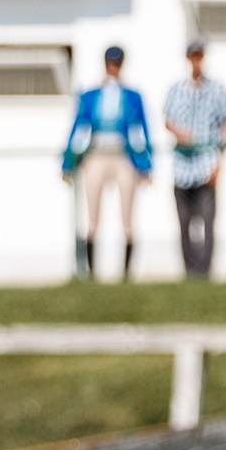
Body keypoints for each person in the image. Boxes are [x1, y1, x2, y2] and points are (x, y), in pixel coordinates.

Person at [61, 46, 153, 280]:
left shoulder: (133, 96)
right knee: (92, 217)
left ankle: (126, 273)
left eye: (117, 63)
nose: (114, 67)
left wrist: (146, 164)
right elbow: (77, 128)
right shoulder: (90, 95)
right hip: (97, 154)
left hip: (122, 154)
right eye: (111, 63)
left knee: (127, 217)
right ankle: (90, 273)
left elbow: (143, 131)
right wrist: (67, 161)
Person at [161, 37, 226, 281]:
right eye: (193, 56)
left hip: (206, 168)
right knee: (184, 225)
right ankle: (190, 273)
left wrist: (219, 164)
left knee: (207, 224)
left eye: (199, 56)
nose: (196, 61)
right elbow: (167, 121)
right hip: (182, 168)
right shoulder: (176, 90)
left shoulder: (218, 90)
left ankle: (205, 273)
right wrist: (179, 133)